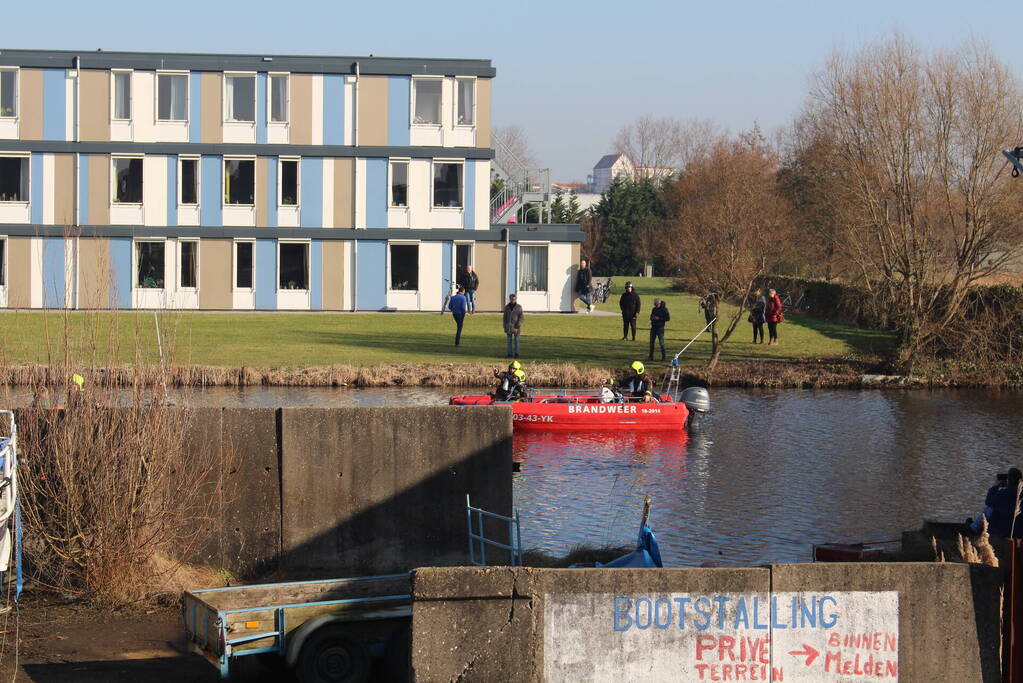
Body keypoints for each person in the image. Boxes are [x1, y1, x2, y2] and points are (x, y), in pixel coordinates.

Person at [987, 467, 1023, 538]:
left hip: (1004, 531)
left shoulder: (1004, 493)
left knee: (988, 508)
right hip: (1020, 532)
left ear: (1008, 480)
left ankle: (974, 528)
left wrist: (995, 486)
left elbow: (989, 501)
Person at [503, 293, 524, 358]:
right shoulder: (507, 307)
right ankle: (509, 354)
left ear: (516, 299)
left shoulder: (519, 307)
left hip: (516, 327)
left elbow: (522, 317)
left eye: (514, 299)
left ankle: (517, 354)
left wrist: (519, 323)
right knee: (509, 342)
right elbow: (504, 317)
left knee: (517, 341)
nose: (513, 300)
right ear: (510, 299)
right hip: (508, 327)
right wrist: (504, 326)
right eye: (511, 299)